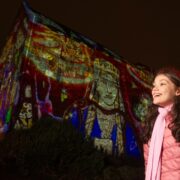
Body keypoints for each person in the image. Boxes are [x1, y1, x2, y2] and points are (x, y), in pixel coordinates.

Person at [143, 67, 180, 180]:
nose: (154, 89)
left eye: (162, 84)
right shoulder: (153, 123)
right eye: (154, 85)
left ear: (178, 91)